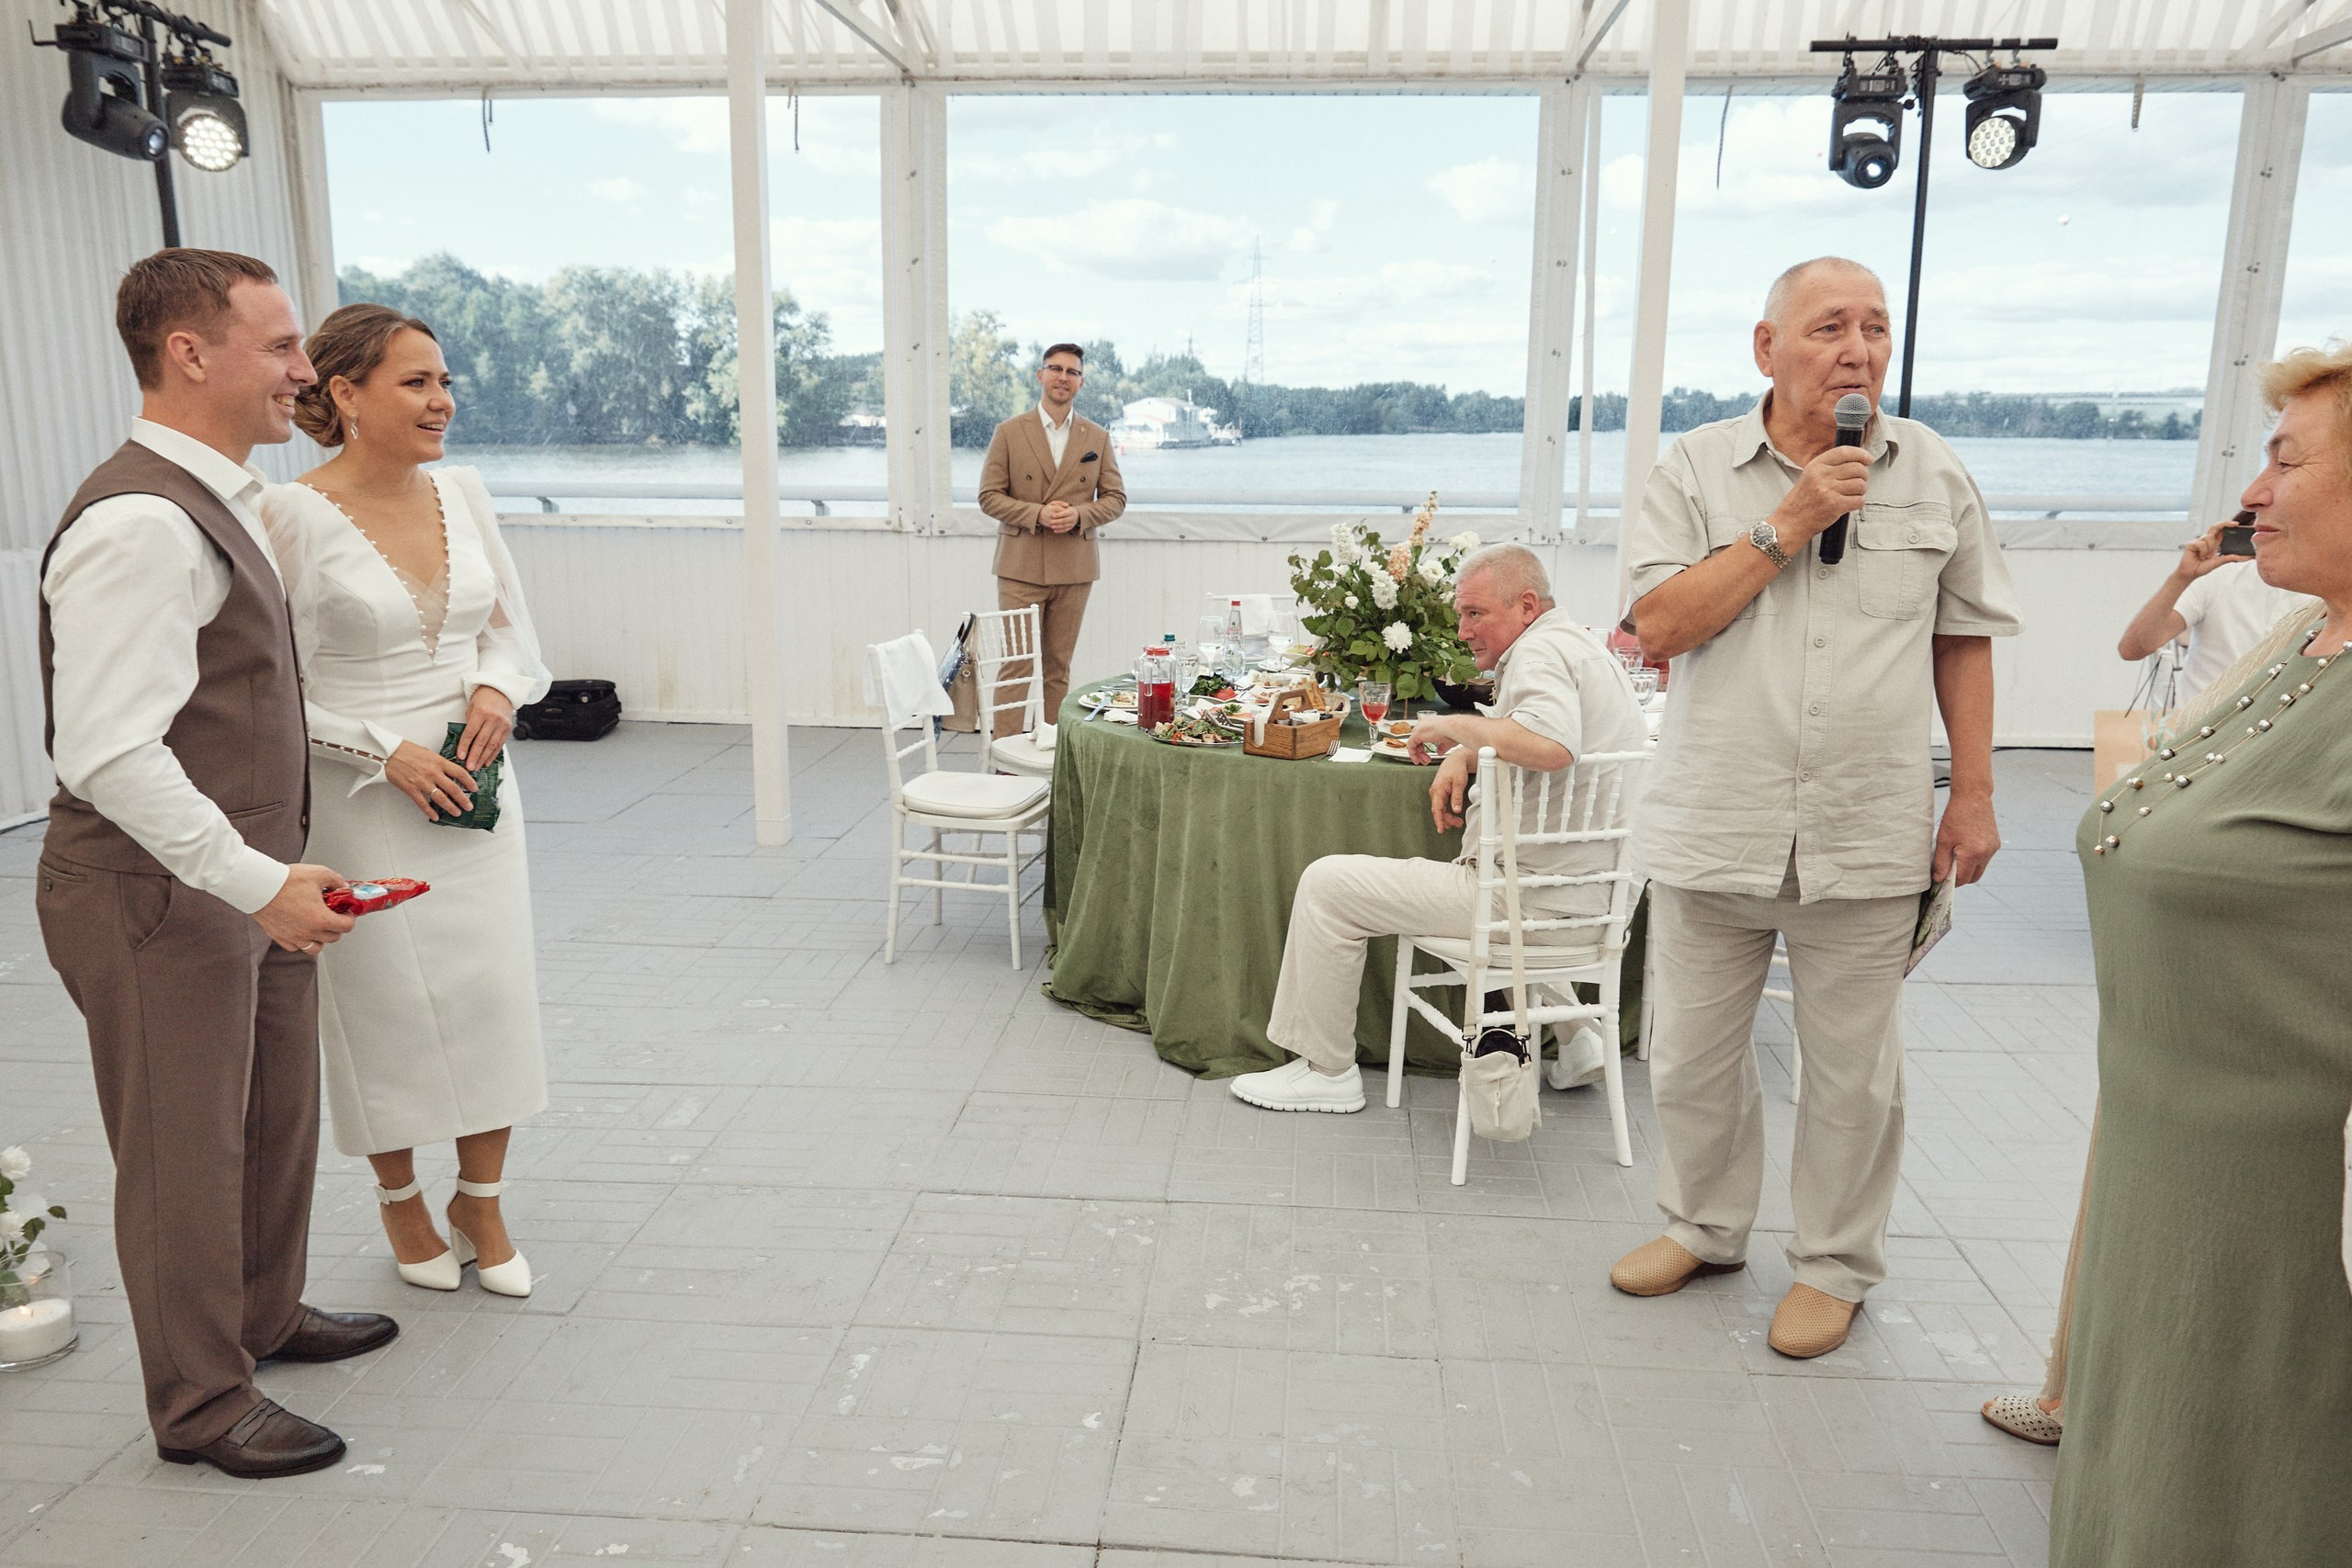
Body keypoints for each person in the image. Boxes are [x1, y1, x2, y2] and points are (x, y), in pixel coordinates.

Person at [1611, 256, 2020, 1359]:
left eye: (1875, 329)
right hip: (1715, 815)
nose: (1857, 350)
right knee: (1692, 1057)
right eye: (1829, 326)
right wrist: (1784, 522)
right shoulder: (1694, 468)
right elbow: (1656, 626)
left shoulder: (1931, 470)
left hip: (1867, 826)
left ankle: (1833, 1268)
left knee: (1854, 1076)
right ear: (1766, 346)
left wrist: (1973, 793)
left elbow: (1964, 634)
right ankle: (1703, 1228)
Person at [34, 249, 395, 1480]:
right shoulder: (138, 522)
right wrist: (255, 877)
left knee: (270, 1117)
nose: (307, 370)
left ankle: (259, 1316)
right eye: (284, 346)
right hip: (152, 893)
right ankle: (199, 1400)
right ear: (191, 353)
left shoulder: (227, 495)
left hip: (245, 878)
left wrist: (276, 871)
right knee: (185, 1151)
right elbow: (109, 750)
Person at [2049, 344, 2352, 1565]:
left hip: (2267, 1223)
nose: (2253, 493)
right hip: (2156, 1183)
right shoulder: (2304, 641)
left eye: (2285, 459)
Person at [261, 304, 552, 1299]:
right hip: (359, 796)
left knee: (491, 994)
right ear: (343, 395)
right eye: (416, 383)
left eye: (444, 380)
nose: (443, 401)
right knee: (378, 1007)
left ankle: (483, 1197)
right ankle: (400, 1203)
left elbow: (514, 637)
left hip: (474, 793)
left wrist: (492, 691)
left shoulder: (464, 493)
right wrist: (383, 754)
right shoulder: (288, 515)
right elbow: (273, 690)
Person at [1229, 544, 1647, 1112]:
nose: (1463, 630)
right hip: (1592, 904)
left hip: (1528, 907)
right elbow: (1538, 734)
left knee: (1327, 885)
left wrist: (1451, 724)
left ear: (1527, 605)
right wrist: (1468, 751)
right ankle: (1576, 1041)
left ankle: (1326, 1071)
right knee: (1505, 870)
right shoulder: (1581, 648)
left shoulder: (1539, 655)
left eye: (1475, 613)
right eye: (1460, 615)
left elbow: (1552, 746)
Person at [978, 343, 1125, 721]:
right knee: (1016, 666)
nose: (1063, 377)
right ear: (1040, 375)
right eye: (1055, 369)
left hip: (1074, 567)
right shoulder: (1009, 432)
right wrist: (1037, 513)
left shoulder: (1097, 437)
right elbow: (988, 497)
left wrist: (1078, 515)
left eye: (1072, 372)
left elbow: (1115, 499)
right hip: (1019, 566)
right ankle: (1007, 763)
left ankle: (1051, 756)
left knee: (1058, 669)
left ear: (1081, 383)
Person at [2116, 518, 2304, 701]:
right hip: (2199, 725)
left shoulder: (2325, 594)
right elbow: (2133, 649)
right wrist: (2181, 576)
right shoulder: (2219, 578)